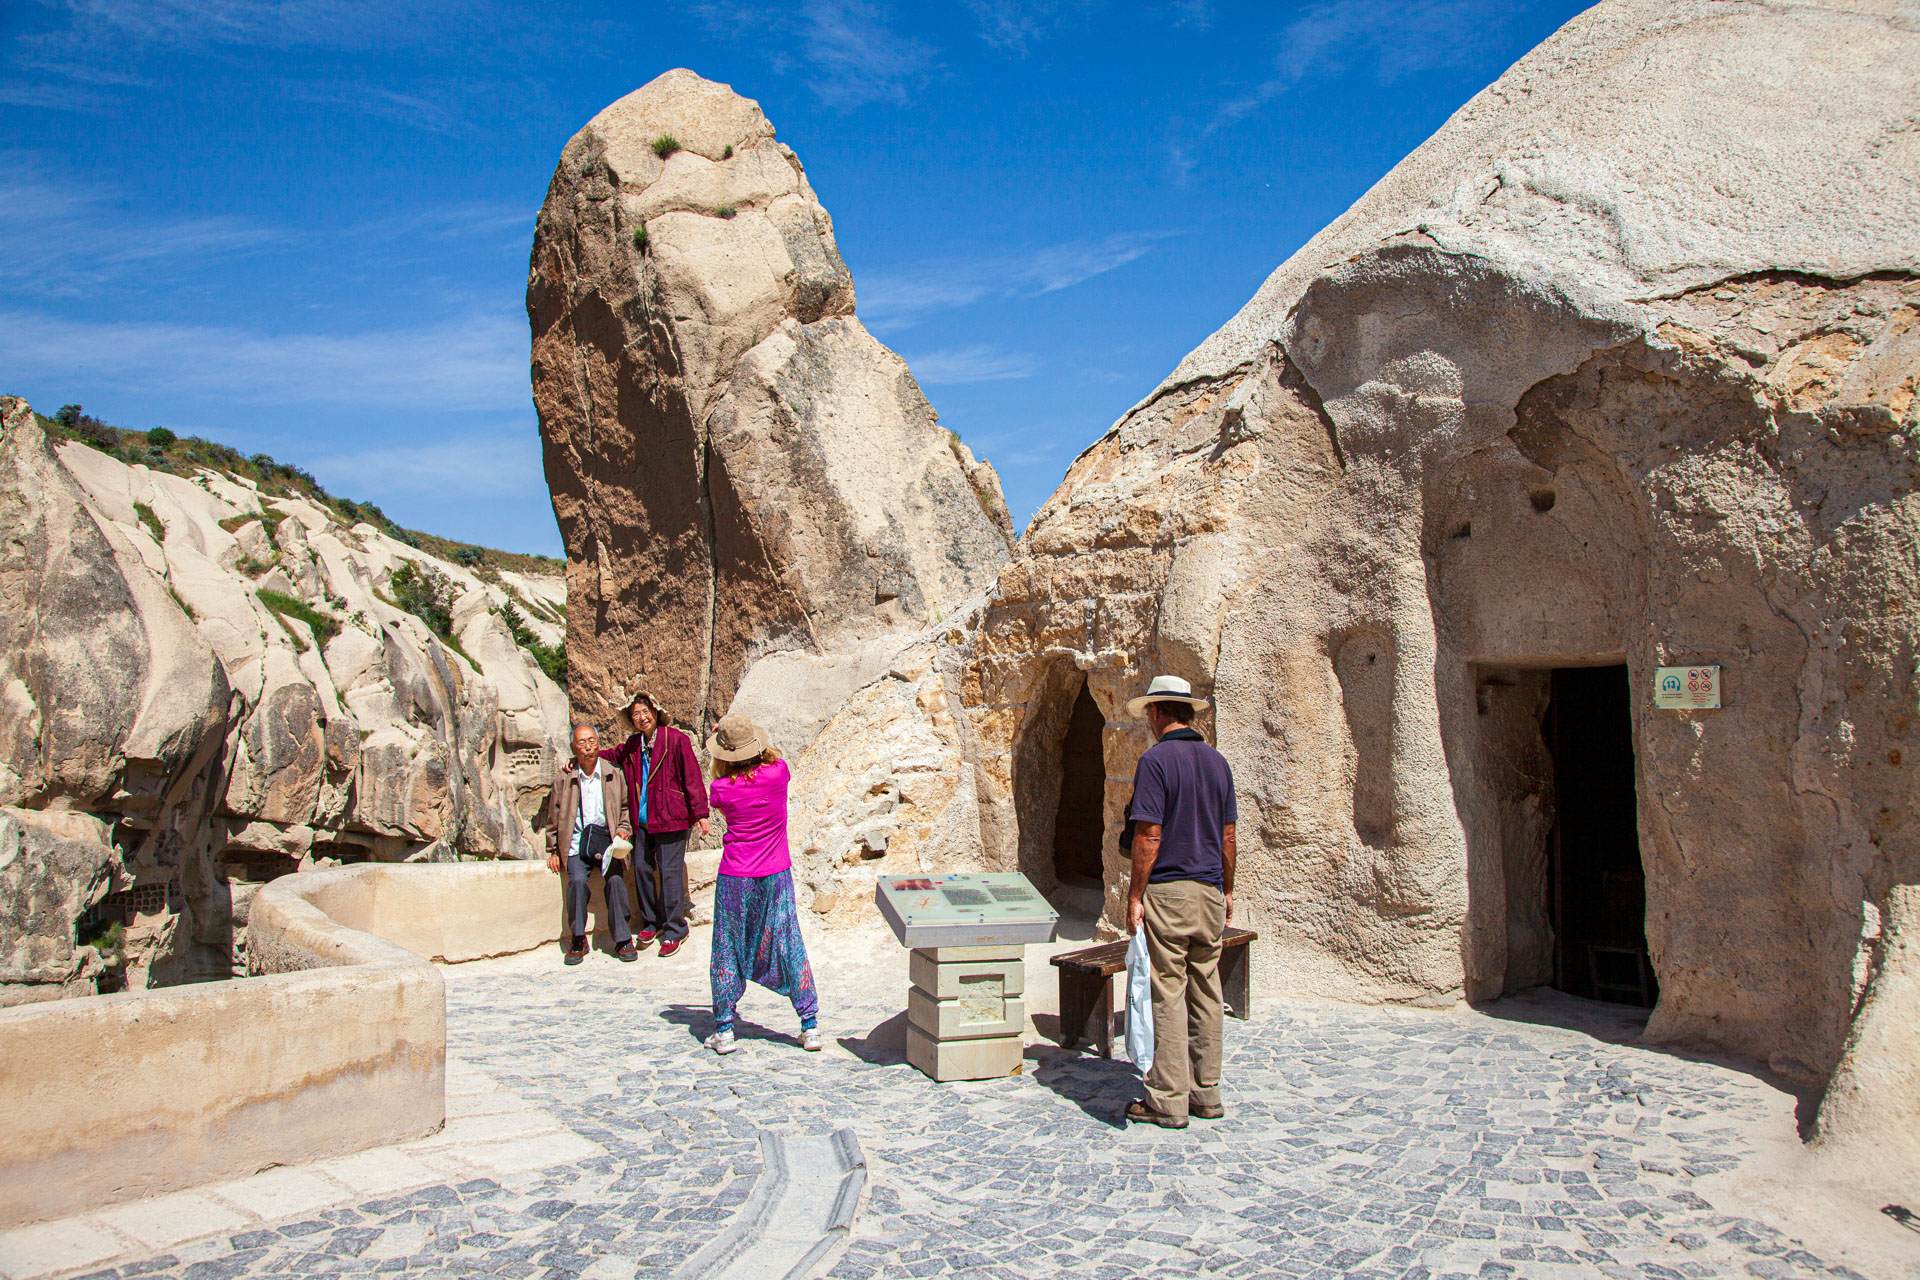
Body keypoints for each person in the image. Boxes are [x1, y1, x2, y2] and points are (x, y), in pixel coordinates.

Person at [1122, 674, 1237, 1129]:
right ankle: (1207, 1093)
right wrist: (1227, 888)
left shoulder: (1155, 761)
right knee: (1207, 990)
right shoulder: (1218, 762)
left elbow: (1149, 834)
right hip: (1209, 890)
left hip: (1169, 891)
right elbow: (1228, 836)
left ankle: (1168, 1098)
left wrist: (1135, 894)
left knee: (1168, 991)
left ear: (1155, 712)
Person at [702, 714, 821, 1055]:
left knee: (727, 946)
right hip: (775, 873)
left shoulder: (721, 790)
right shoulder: (778, 774)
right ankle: (809, 1024)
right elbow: (775, 757)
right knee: (788, 941)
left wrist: (724, 744)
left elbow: (718, 784)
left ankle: (724, 1028)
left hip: (735, 876)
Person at [601, 688, 710, 959]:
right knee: (641, 869)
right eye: (636, 714)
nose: (641, 717)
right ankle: (652, 922)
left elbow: (692, 777)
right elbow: (612, 755)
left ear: (655, 712)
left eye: (645, 711)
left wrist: (700, 813)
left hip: (671, 818)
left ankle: (675, 929)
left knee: (670, 874)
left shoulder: (676, 739)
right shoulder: (632, 745)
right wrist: (581, 759)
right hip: (642, 821)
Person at [546, 723, 637, 965]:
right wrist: (553, 850)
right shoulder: (564, 779)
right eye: (582, 742)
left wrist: (623, 830)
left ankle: (622, 939)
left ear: (598, 743)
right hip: (577, 842)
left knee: (615, 881)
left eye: (592, 741)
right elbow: (553, 816)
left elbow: (625, 809)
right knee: (576, 882)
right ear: (573, 748)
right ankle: (578, 938)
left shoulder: (613, 774)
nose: (588, 747)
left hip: (607, 841)